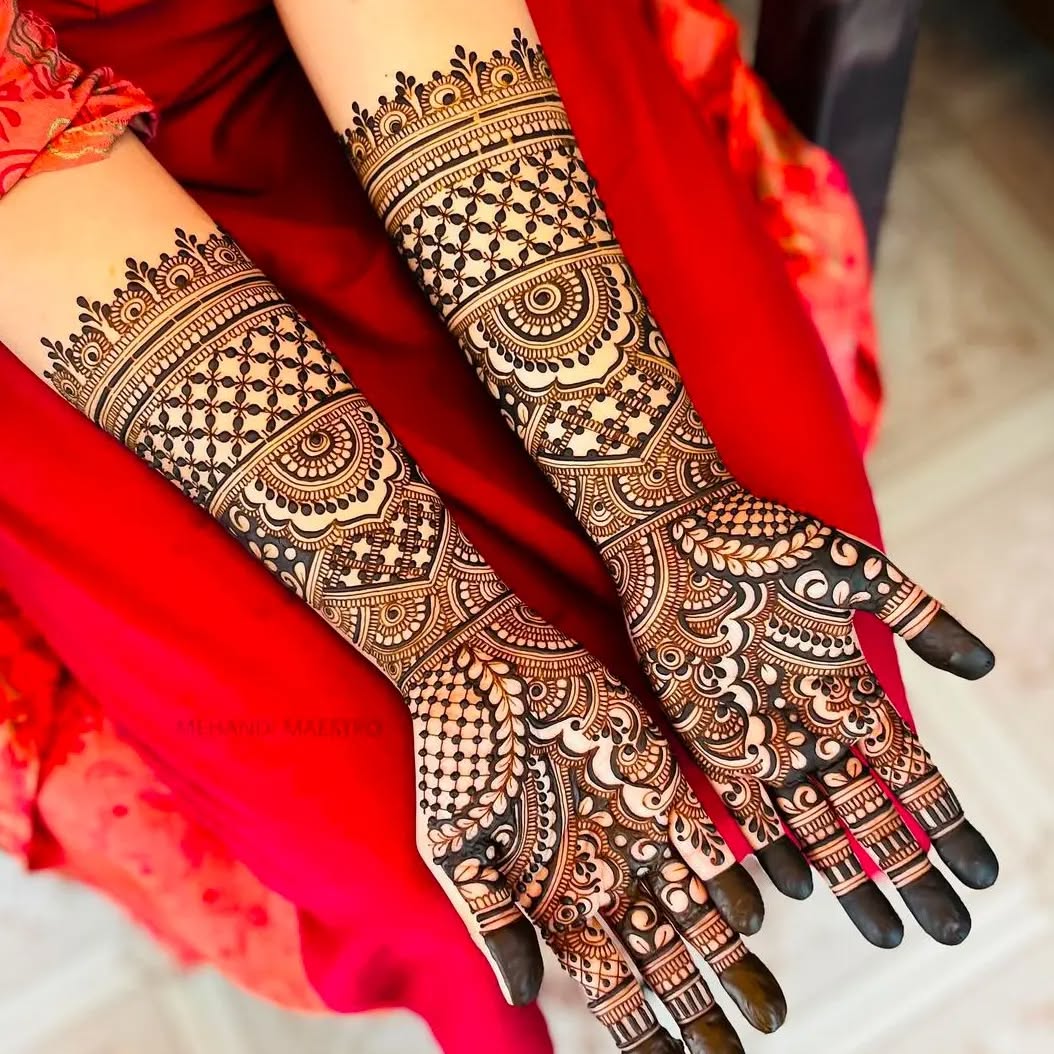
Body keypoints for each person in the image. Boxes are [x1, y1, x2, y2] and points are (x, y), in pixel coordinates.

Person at [0, 2, 995, 1052]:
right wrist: (440, 628)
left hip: (405, 43)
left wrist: (655, 496)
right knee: (398, 871)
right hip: (44, 235)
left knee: (805, 641)